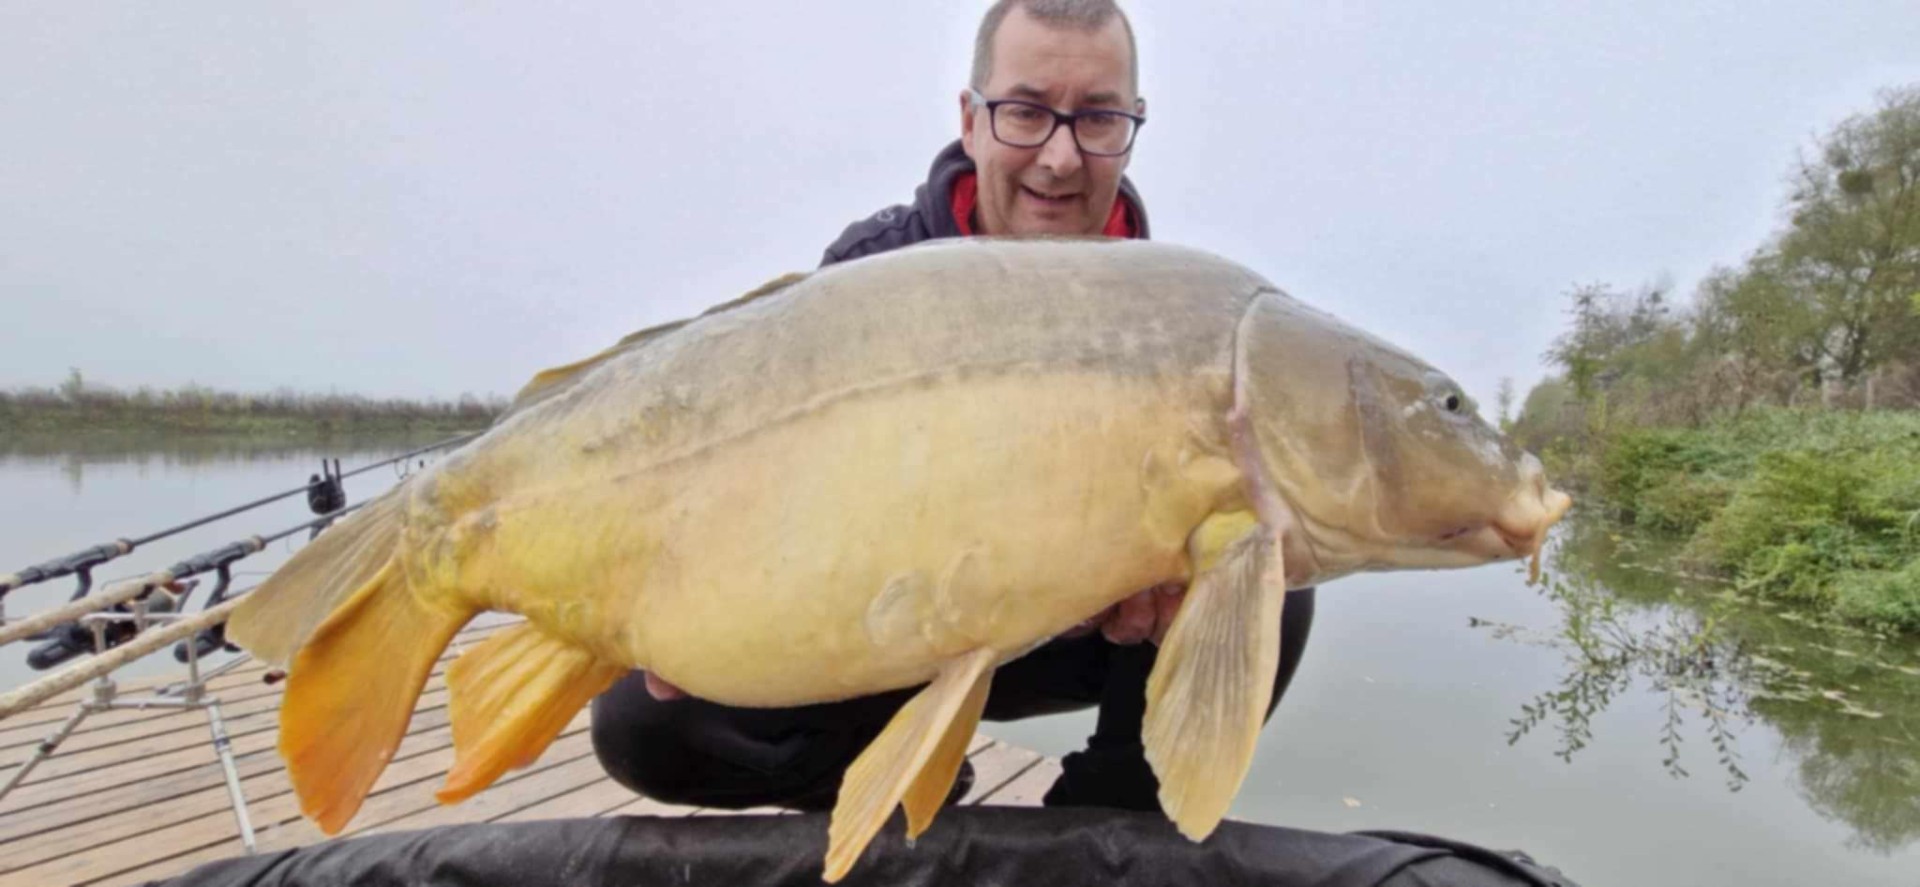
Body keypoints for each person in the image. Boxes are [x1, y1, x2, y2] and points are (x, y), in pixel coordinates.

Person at [590, 0, 1318, 814]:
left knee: (1275, 561)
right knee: (641, 724)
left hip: (1075, 637)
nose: (1059, 157)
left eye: (1098, 118)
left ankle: (1101, 828)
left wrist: (1138, 565)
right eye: (1026, 112)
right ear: (970, 121)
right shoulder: (872, 270)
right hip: (887, 628)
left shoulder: (1170, 317)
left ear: (1133, 125)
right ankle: (891, 801)